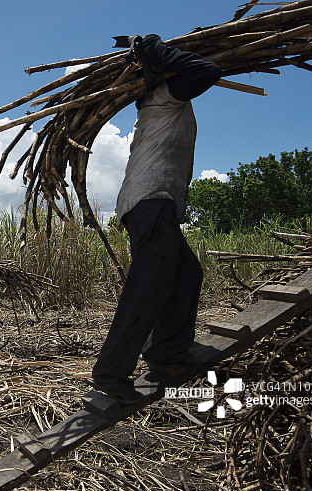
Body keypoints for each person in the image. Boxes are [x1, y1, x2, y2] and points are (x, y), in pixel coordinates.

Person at [91, 34, 222, 402]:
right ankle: (111, 372)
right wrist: (154, 49)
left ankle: (166, 351)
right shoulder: (165, 97)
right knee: (148, 287)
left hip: (154, 205)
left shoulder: (161, 101)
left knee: (186, 274)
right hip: (151, 202)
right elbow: (207, 70)